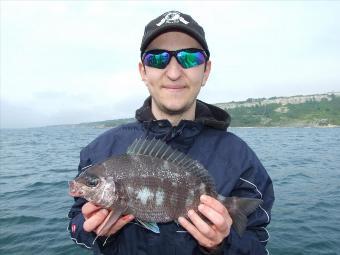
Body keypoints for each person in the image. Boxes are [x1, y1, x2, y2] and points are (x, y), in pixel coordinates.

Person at [68, 10, 274, 255]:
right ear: (143, 71)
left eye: (189, 58)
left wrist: (223, 243)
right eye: (157, 59)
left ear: (205, 71)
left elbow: (257, 243)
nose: (174, 72)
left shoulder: (241, 159)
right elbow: (76, 223)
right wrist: (92, 230)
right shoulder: (99, 151)